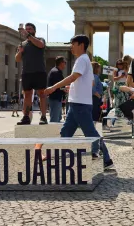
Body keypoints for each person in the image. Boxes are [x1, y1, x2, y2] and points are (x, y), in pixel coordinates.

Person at [45, 34, 113, 167]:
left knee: (91, 133)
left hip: (80, 104)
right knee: (66, 132)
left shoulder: (82, 59)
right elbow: (90, 83)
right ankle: (60, 157)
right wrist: (74, 86)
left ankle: (107, 159)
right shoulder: (85, 59)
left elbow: (73, 77)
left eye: (73, 44)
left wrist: (53, 87)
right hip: (77, 103)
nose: (71, 47)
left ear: (81, 45)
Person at [16, 23, 48, 125]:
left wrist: (28, 35)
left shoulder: (40, 39)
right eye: (26, 29)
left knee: (42, 94)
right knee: (27, 95)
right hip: (26, 73)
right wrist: (20, 52)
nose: (27, 30)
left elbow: (41, 45)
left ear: (34, 31)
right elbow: (17, 59)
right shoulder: (22, 44)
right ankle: (26, 117)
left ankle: (43, 117)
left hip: (39, 71)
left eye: (30, 29)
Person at [47, 56, 66, 122]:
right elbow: (59, 86)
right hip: (55, 99)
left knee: (57, 118)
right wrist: (66, 88)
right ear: (61, 63)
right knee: (54, 120)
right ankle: (52, 132)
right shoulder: (56, 72)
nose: (65, 64)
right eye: (65, 62)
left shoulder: (56, 71)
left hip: (56, 98)